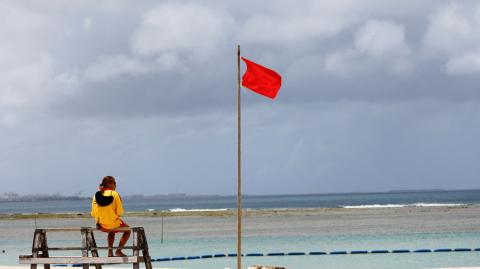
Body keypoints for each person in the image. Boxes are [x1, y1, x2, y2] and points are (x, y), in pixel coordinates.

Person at [91, 176, 131, 257]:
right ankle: (118, 251)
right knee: (128, 230)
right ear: (109, 184)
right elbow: (120, 212)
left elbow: (93, 213)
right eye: (114, 183)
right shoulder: (114, 194)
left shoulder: (96, 195)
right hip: (112, 223)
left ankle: (110, 252)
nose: (116, 185)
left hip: (101, 225)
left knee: (111, 231)